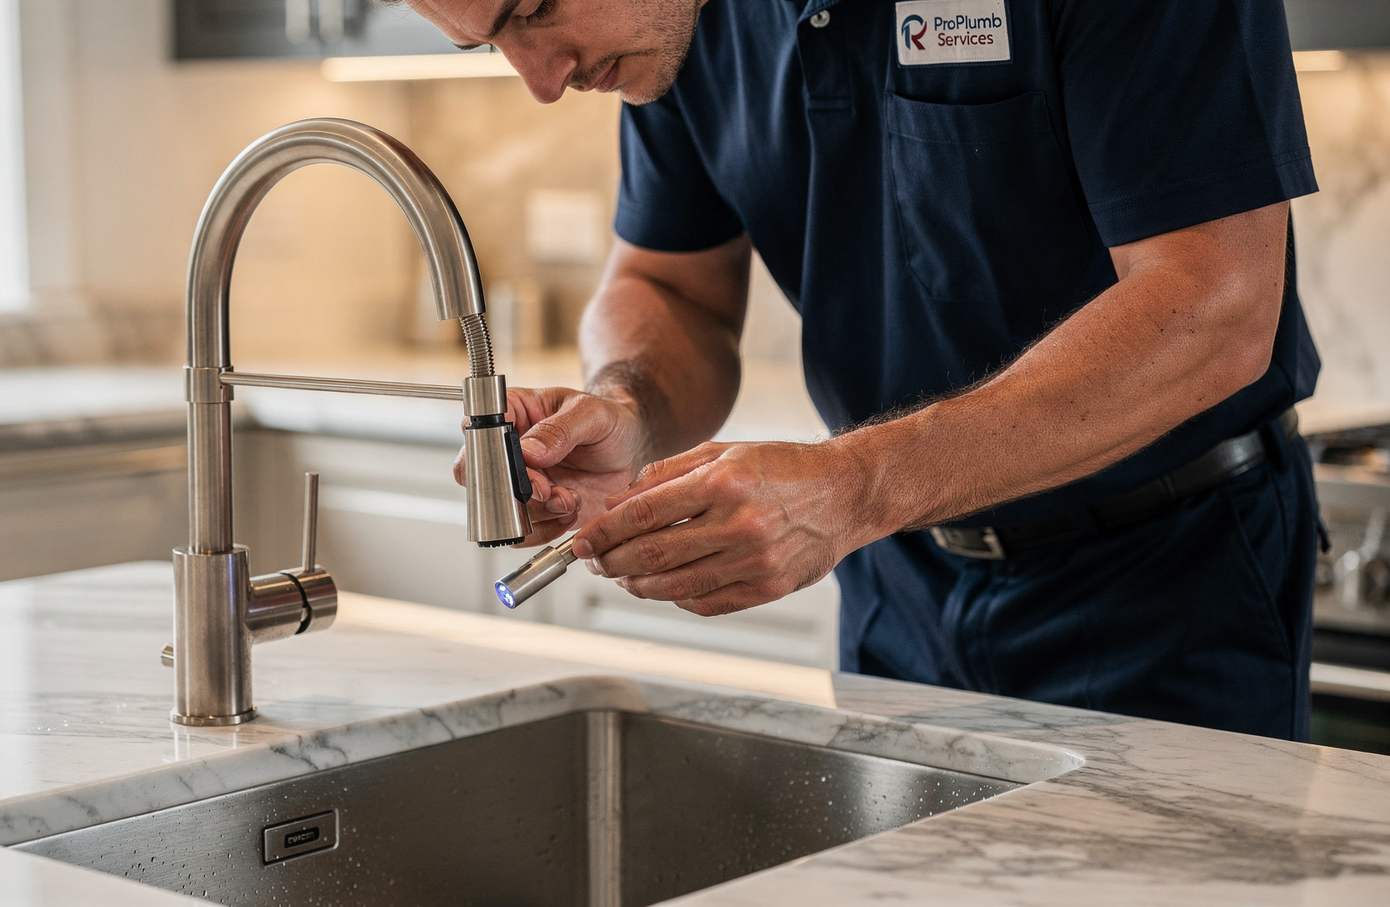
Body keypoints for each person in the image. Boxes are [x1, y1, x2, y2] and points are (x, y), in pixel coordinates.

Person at [416, 0, 1323, 740]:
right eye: (488, 43)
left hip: (1165, 586)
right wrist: (627, 406)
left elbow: (1217, 306)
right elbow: (670, 285)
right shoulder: (672, 25)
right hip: (898, 588)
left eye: (534, 8)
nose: (538, 80)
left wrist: (857, 486)